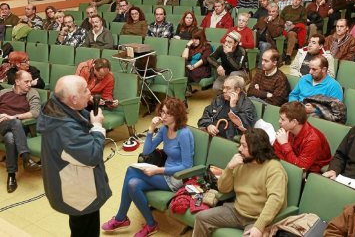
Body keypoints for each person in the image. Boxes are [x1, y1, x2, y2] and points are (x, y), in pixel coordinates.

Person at [102, 98, 194, 236]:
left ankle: (121, 218)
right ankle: (151, 224)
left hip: (177, 178)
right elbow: (147, 151)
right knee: (133, 184)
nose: (163, 116)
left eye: (168, 114)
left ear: (177, 115)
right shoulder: (164, 129)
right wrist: (151, 129)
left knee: (131, 170)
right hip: (164, 174)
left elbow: (187, 166)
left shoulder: (184, 134)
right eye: (162, 112)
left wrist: (158, 170)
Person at [38, 75, 111, 237]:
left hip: (76, 184)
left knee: (81, 227)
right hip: (79, 193)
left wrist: (91, 117)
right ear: (73, 99)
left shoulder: (58, 107)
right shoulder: (64, 129)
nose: (90, 92)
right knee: (85, 231)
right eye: (85, 90)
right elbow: (92, 156)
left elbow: (78, 118)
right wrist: (98, 127)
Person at [193, 128, 287, 237]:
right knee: (201, 218)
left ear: (257, 148)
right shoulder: (241, 161)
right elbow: (223, 189)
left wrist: (259, 226)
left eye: (244, 146)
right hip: (236, 211)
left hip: (258, 218)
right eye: (240, 144)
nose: (240, 149)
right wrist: (229, 168)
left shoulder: (274, 168)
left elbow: (275, 200)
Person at [1, 70, 41, 193]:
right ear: (17, 81)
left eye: (30, 81)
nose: (30, 84)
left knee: (10, 137)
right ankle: (26, 158)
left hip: (19, 126)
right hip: (1, 124)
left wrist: (13, 117)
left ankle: (11, 175)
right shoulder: (3, 92)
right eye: (26, 81)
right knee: (12, 127)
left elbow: (35, 112)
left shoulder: (32, 93)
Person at [274, 101, 332, 173]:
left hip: (312, 169)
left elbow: (301, 168)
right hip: (292, 163)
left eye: (282, 119)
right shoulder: (286, 128)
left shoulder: (312, 139)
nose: (279, 121)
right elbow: (276, 152)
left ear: (294, 122)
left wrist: (284, 145)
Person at [198, 76, 257, 140]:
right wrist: (208, 125)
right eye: (223, 87)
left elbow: (246, 127)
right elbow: (206, 113)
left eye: (228, 88)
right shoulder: (219, 99)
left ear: (237, 90)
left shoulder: (247, 105)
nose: (224, 90)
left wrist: (233, 107)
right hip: (211, 134)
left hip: (228, 139)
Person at [253, 2, 285, 67]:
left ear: (277, 13)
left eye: (273, 12)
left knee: (265, 45)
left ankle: (261, 68)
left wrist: (269, 23)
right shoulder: (262, 18)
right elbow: (254, 27)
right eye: (269, 11)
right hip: (257, 41)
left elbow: (274, 34)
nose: (271, 13)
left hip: (270, 43)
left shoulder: (280, 22)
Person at [280, 0, 307, 65]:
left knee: (291, 34)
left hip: (295, 29)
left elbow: (304, 21)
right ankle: (280, 54)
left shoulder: (302, 10)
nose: (296, 1)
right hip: (284, 27)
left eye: (298, 0)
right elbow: (280, 18)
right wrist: (285, 23)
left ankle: (288, 56)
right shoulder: (287, 8)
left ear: (300, 1)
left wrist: (293, 23)